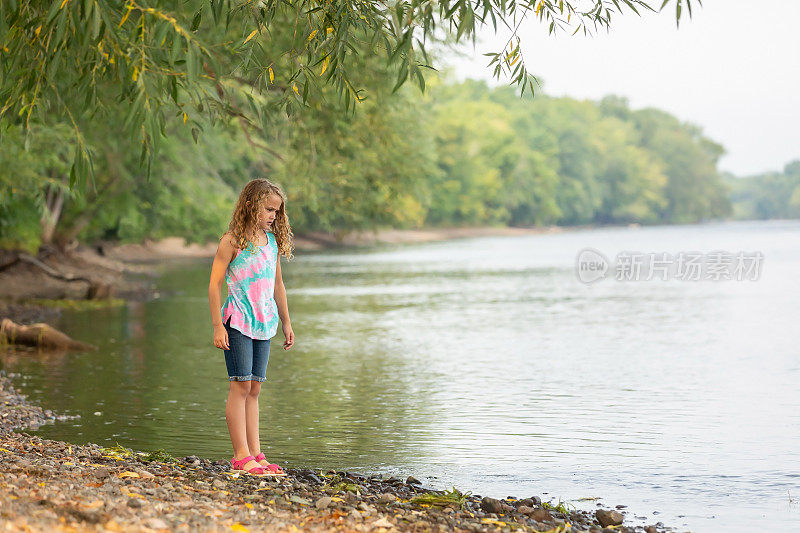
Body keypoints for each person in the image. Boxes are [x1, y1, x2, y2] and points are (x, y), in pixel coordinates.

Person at [208, 178, 295, 476]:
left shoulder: (271, 243)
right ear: (250, 205)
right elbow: (214, 284)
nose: (273, 216)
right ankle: (240, 455)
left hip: (264, 322)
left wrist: (286, 322)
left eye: (276, 212)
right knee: (240, 384)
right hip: (237, 321)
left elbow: (278, 284)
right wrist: (217, 326)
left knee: (255, 388)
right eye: (268, 209)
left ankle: (256, 452)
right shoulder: (231, 241)